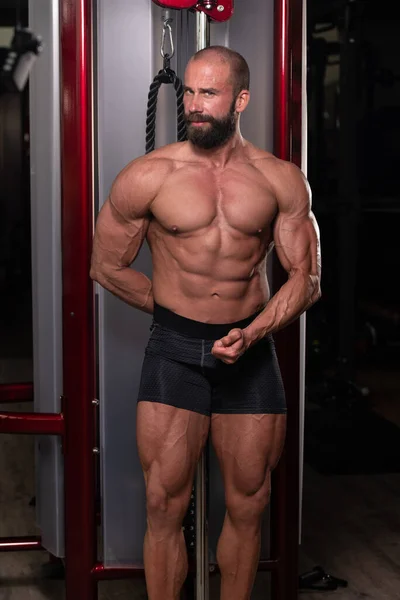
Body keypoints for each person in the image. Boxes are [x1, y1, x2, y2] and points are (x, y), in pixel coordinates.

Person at [90, 45, 321, 600]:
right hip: (174, 349)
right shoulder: (149, 175)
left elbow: (306, 279)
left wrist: (256, 330)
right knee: (163, 504)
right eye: (189, 92)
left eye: (208, 94)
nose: (194, 105)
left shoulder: (280, 180)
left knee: (249, 502)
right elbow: (105, 266)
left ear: (240, 99)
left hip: (252, 351)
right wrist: (171, 312)